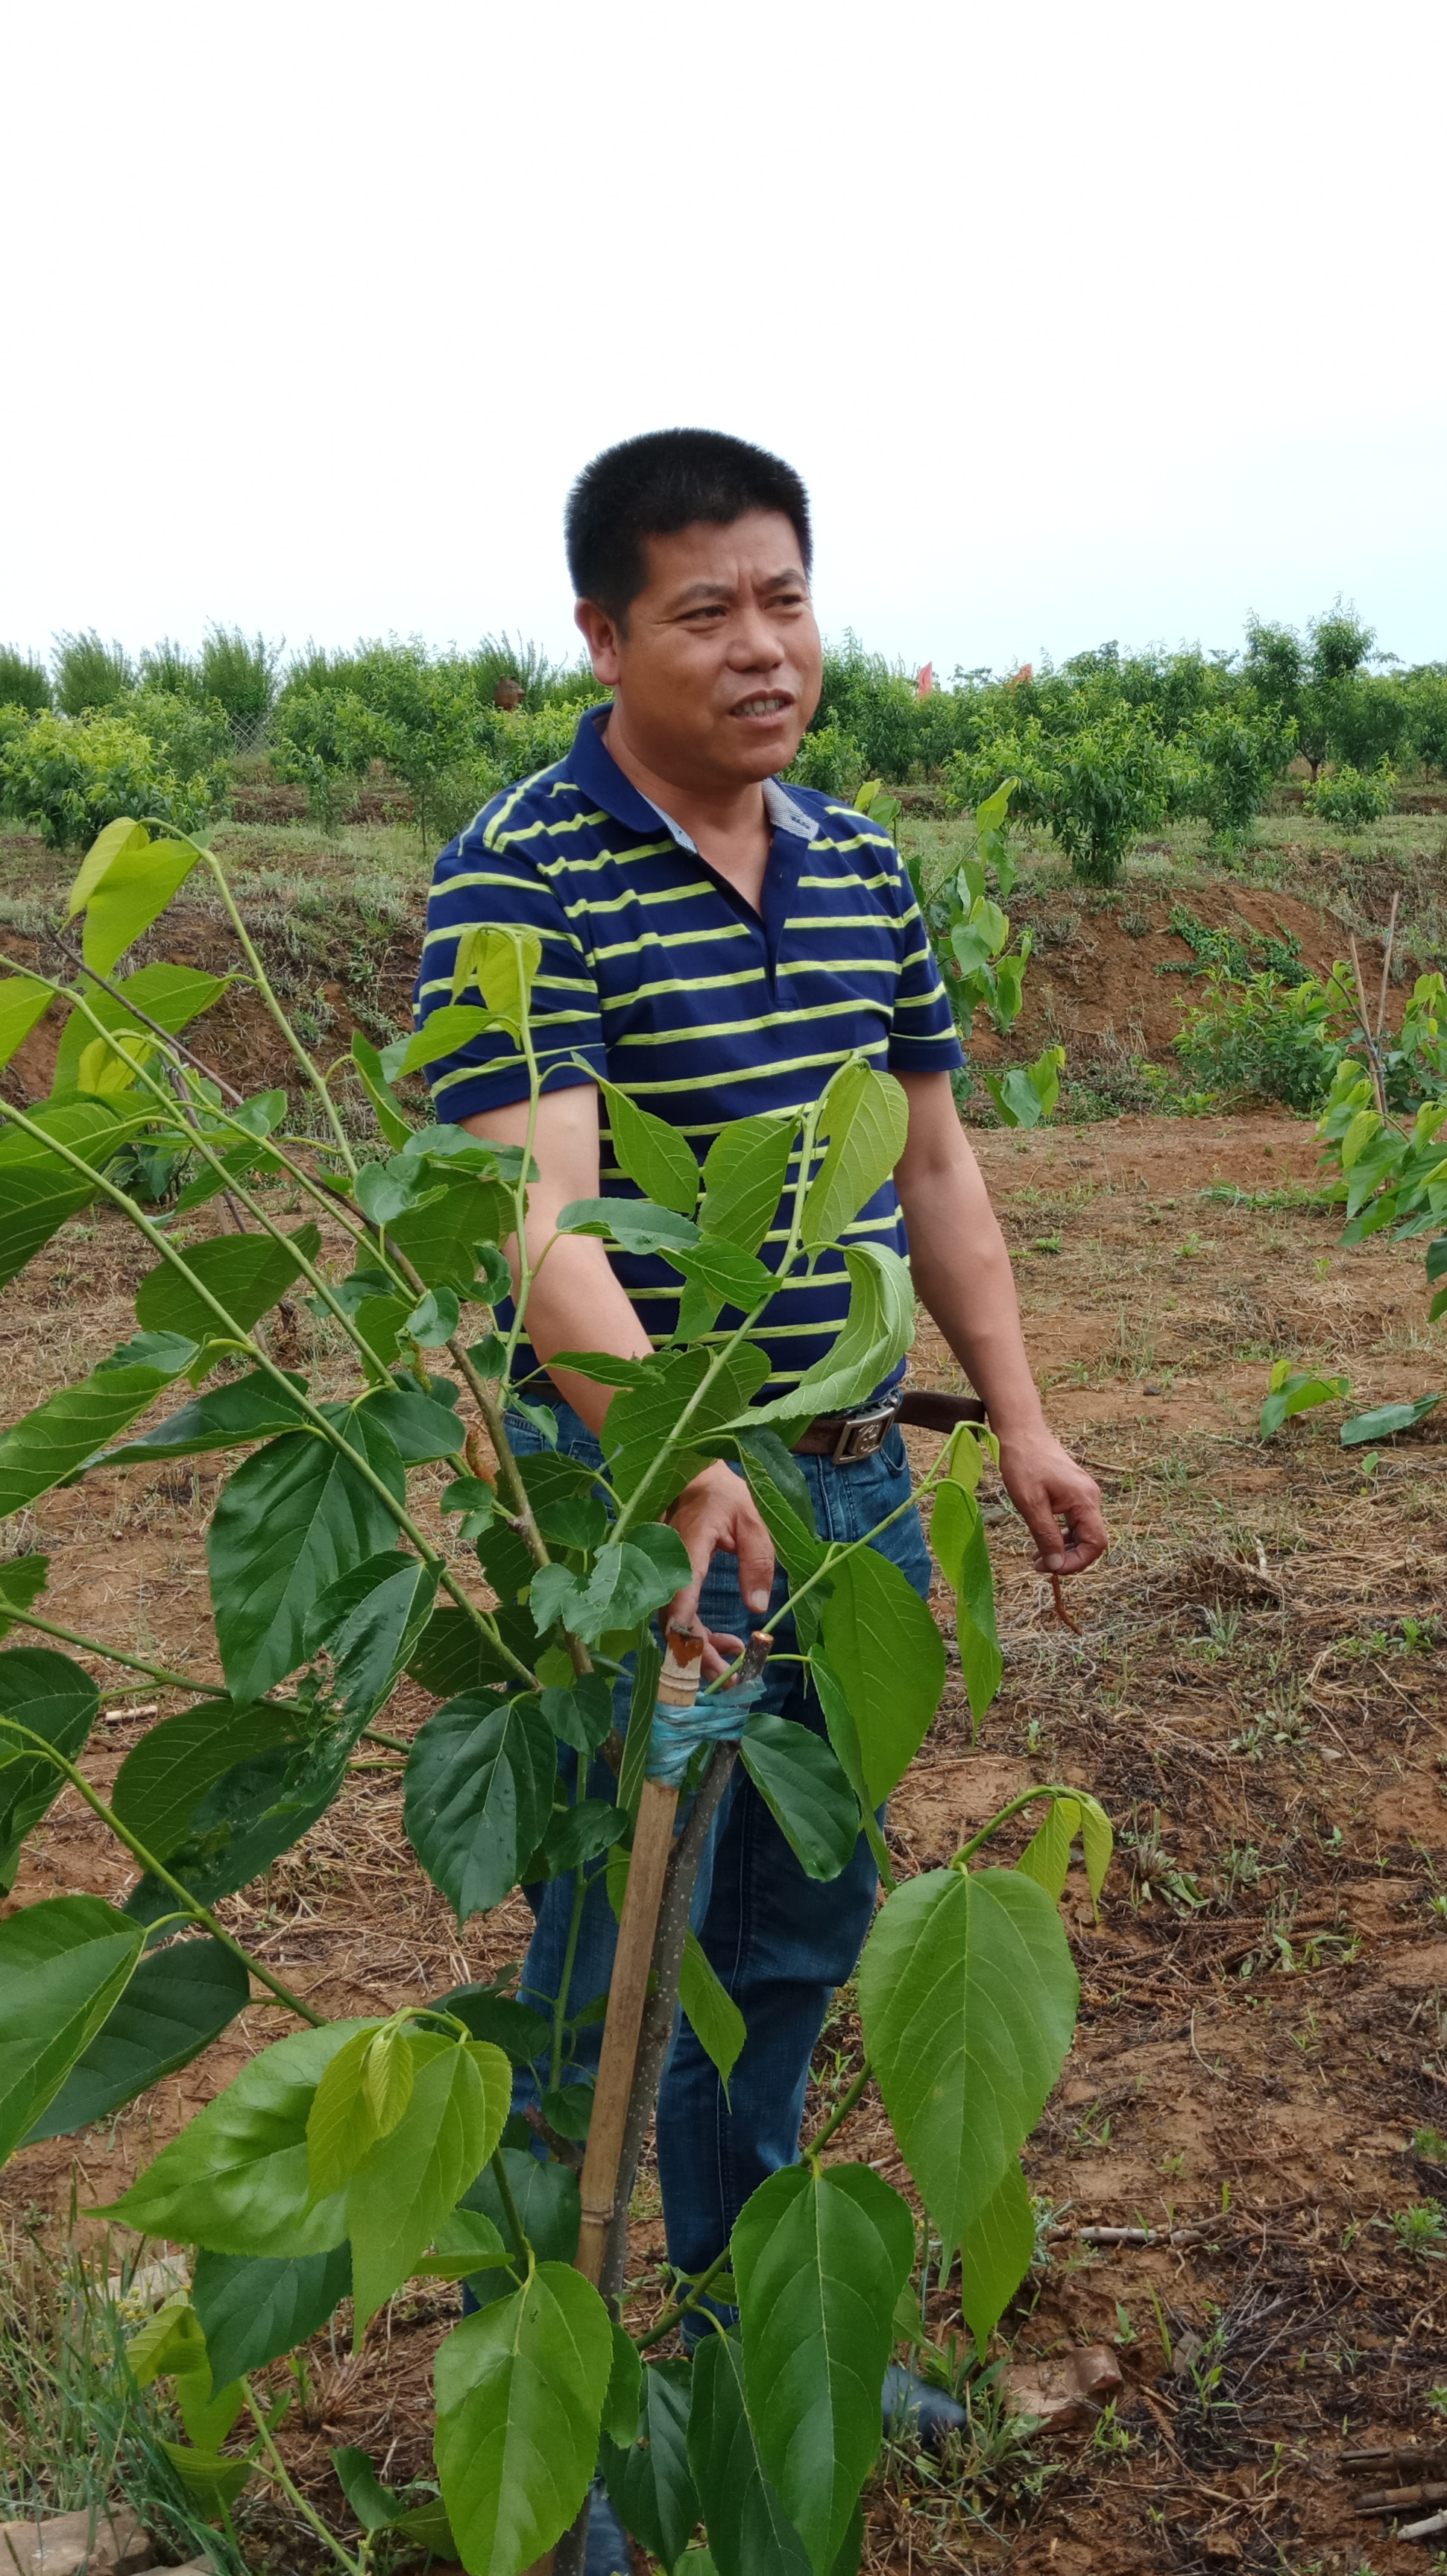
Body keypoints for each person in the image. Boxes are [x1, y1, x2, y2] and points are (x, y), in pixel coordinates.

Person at [409, 427, 1112, 2487]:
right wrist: (670, 1460)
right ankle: (557, 2430)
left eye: (786, 600)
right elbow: (532, 1212)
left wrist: (1022, 1413)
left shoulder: (863, 862)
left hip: (851, 1487)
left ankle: (731, 2345)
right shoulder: (523, 873)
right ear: (602, 634)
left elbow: (937, 1171)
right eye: (704, 610)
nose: (761, 648)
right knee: (608, 1960)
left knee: (798, 1921)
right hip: (642, 1501)